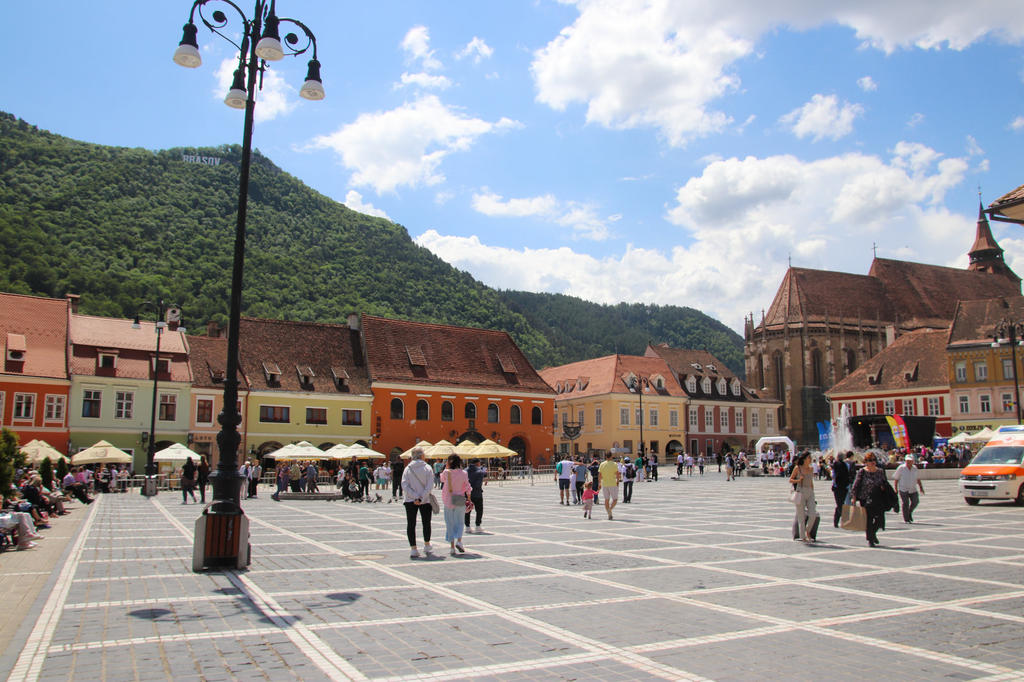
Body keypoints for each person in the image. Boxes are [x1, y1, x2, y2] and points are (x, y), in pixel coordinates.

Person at [850, 452, 893, 547]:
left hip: (878, 499)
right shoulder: (862, 471)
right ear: (866, 462)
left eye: (874, 460)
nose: (873, 462)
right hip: (865, 499)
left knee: (880, 519)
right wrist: (853, 498)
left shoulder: (880, 471)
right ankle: (871, 539)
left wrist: (884, 488)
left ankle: (872, 533)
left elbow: (885, 483)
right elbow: (855, 486)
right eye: (870, 460)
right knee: (868, 520)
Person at [401, 447, 435, 558]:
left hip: (410, 500)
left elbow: (404, 485)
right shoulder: (427, 468)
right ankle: (427, 544)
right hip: (425, 500)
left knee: (411, 524)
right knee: (426, 522)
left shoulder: (408, 469)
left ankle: (413, 548)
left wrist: (415, 496)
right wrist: (421, 497)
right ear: (421, 456)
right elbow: (430, 486)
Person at [440, 454, 471, 556]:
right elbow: (467, 487)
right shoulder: (464, 473)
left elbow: (442, 480)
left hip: (448, 498)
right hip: (459, 497)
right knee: (460, 521)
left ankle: (452, 547)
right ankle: (459, 541)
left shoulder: (446, 472)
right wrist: (469, 499)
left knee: (450, 522)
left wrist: (447, 467)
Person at [788, 451, 817, 543]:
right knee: (801, 516)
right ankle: (803, 536)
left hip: (810, 491)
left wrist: (813, 492)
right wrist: (798, 480)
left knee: (813, 514)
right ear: (804, 459)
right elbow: (790, 480)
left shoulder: (811, 469)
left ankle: (808, 531)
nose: (810, 459)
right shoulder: (798, 468)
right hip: (800, 491)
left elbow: (811, 481)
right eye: (809, 458)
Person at [894, 454, 924, 523]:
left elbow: (918, 478)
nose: (908, 462)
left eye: (910, 461)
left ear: (913, 461)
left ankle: (909, 512)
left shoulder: (915, 468)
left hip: (913, 489)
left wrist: (921, 487)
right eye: (907, 461)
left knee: (915, 501)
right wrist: (895, 488)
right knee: (905, 503)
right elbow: (896, 478)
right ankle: (906, 518)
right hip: (903, 489)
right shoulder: (901, 468)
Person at [831, 451, 854, 527]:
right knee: (841, 504)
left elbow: (833, 475)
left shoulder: (835, 464)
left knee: (839, 504)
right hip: (844, 487)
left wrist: (834, 484)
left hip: (837, 487)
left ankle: (838, 520)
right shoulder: (846, 465)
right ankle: (839, 520)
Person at [465, 458, 486, 533]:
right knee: (479, 510)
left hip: (467, 493)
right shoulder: (480, 472)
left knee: (467, 510)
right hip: (477, 493)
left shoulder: (465, 471)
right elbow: (478, 484)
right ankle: (478, 526)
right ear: (477, 463)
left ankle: (467, 526)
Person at [598, 452, 621, 520]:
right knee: (615, 499)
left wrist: (599, 483)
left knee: (606, 499)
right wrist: (618, 481)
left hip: (605, 483)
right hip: (612, 483)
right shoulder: (614, 464)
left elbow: (600, 475)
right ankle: (610, 510)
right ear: (611, 456)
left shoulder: (602, 464)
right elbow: (617, 473)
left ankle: (609, 513)